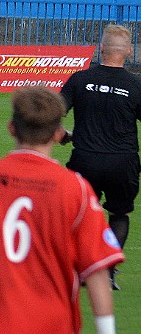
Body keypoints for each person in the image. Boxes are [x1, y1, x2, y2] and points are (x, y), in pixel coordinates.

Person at [0, 87, 124, 334]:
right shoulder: (76, 188)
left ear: (11, 128)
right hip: (51, 325)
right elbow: (96, 270)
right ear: (59, 134)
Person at [60, 23, 141, 291]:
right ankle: (107, 272)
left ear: (102, 48)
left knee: (80, 214)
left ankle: (78, 268)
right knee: (119, 213)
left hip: (86, 158)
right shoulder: (135, 85)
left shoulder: (80, 79)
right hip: (123, 161)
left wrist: (62, 135)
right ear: (129, 51)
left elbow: (51, 112)